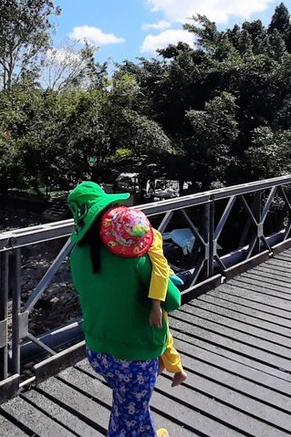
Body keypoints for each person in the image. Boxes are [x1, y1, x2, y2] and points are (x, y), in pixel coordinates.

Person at [68, 181, 181, 437]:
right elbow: (173, 301)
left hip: (97, 351)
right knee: (127, 415)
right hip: (134, 356)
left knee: (130, 406)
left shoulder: (77, 253)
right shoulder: (134, 256)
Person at [99, 206, 188, 387]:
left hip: (160, 285)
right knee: (162, 332)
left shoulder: (153, 240)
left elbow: (160, 272)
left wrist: (156, 305)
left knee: (162, 332)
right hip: (150, 284)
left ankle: (177, 369)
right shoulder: (147, 233)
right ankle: (168, 365)